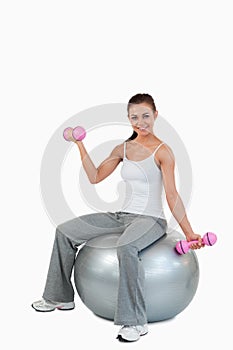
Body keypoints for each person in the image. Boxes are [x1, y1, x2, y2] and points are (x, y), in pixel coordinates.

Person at [32, 93, 203, 342]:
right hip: (121, 216)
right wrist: (80, 145)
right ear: (128, 119)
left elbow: (172, 194)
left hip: (151, 219)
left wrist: (189, 232)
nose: (140, 122)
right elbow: (95, 176)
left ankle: (135, 322)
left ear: (155, 115)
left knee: (126, 246)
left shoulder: (163, 151)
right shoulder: (122, 148)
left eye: (145, 116)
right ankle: (59, 297)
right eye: (134, 117)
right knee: (65, 231)